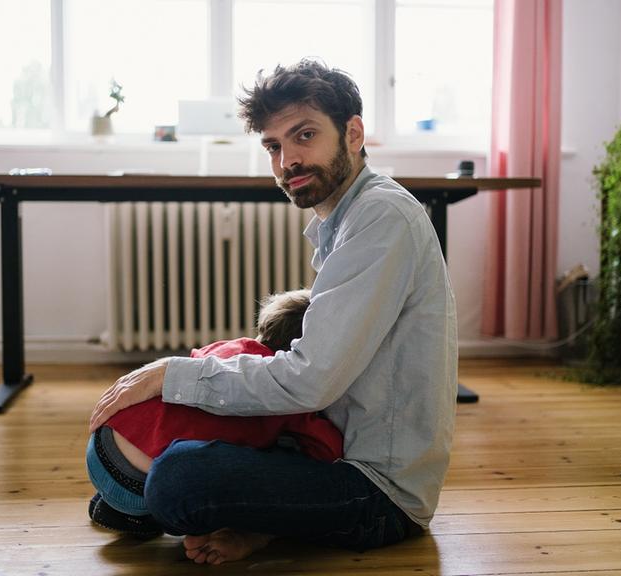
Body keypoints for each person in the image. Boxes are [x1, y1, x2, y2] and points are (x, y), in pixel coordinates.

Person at [89, 59, 458, 565]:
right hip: (330, 449)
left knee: (179, 480)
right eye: (274, 146)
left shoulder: (381, 218)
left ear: (353, 134)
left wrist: (172, 374)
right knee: (169, 463)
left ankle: (245, 521)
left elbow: (310, 382)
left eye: (305, 135)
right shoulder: (346, 220)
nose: (288, 160)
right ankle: (213, 510)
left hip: (378, 492)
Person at [86, 289, 343, 536]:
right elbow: (327, 450)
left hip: (102, 443)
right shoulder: (289, 389)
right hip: (136, 482)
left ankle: (108, 500)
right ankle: (136, 514)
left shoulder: (229, 347)